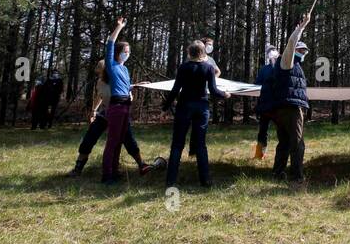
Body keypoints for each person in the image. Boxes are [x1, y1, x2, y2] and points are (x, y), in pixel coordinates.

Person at [69, 58, 155, 177]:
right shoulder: (100, 82)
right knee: (89, 139)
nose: (98, 74)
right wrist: (94, 110)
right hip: (104, 114)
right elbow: (99, 96)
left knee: (129, 140)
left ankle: (141, 165)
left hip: (118, 116)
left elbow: (127, 93)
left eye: (100, 71)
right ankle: (78, 169)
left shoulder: (119, 81)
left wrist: (134, 86)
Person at [161, 40, 230, 189]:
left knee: (177, 145)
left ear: (189, 53)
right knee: (200, 145)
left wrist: (165, 107)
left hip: (184, 107)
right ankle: (205, 181)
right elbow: (213, 90)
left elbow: (175, 90)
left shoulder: (183, 68)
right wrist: (225, 94)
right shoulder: (208, 68)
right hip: (202, 108)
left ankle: (170, 181)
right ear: (203, 53)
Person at [269, 12, 313, 182]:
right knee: (297, 143)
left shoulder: (296, 65)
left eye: (305, 50)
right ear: (295, 50)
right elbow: (291, 43)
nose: (304, 52)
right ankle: (297, 177)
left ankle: (277, 173)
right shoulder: (287, 60)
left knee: (285, 143)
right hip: (290, 108)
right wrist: (302, 27)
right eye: (301, 49)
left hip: (287, 107)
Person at [98, 17, 139, 184]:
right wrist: (119, 27)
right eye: (125, 51)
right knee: (112, 142)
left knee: (119, 141)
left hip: (125, 106)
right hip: (115, 107)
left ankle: (114, 172)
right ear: (117, 52)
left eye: (129, 52)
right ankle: (106, 175)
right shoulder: (111, 64)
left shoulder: (125, 68)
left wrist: (135, 86)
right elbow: (110, 43)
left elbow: (126, 87)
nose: (127, 54)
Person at [252, 46, 279, 159]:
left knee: (282, 131)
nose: (271, 53)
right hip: (265, 105)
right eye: (269, 52)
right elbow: (257, 84)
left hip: (279, 105)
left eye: (273, 51)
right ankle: (259, 155)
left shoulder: (282, 67)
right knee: (263, 131)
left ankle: (282, 155)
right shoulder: (264, 69)